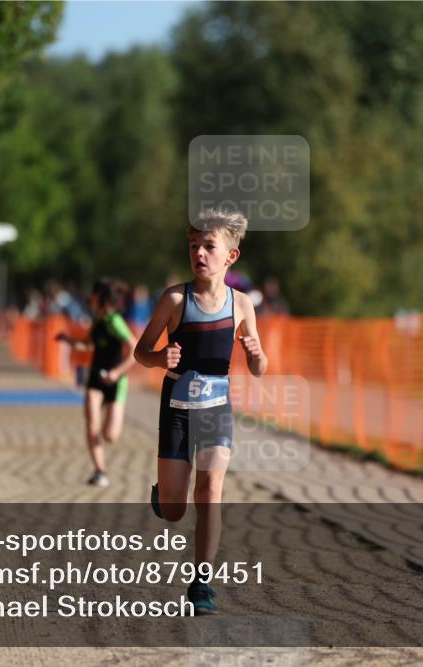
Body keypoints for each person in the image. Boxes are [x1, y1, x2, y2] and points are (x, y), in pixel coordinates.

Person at [134, 208, 268, 615]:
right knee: (175, 510)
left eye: (209, 246)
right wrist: (161, 359)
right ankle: (165, 494)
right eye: (193, 246)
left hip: (215, 409)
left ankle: (202, 583)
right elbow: (142, 351)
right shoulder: (175, 299)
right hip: (175, 407)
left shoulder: (242, 305)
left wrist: (257, 354)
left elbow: (260, 369)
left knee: (209, 493)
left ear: (231, 255)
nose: (199, 254)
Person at [56, 278, 137, 488]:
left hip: (116, 382)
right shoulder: (98, 321)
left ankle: (106, 443)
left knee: (110, 435)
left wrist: (116, 373)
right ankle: (100, 471)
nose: (89, 299)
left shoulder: (114, 322)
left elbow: (134, 349)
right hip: (95, 379)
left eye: (92, 295)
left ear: (99, 298)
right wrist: (70, 341)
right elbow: (89, 344)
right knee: (91, 423)